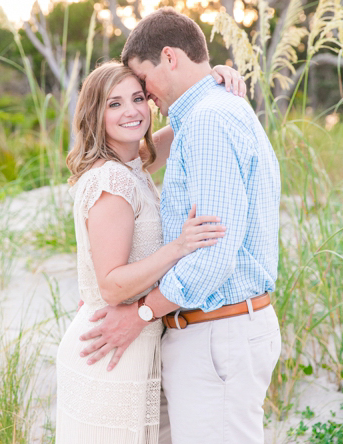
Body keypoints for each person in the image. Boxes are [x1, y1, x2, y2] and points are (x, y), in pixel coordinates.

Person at [79, 8, 282, 444]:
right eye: (117, 101)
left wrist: (144, 312)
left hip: (215, 334)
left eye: (142, 86)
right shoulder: (205, 116)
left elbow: (212, 257)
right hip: (209, 334)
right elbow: (133, 157)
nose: (145, 100)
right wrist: (215, 77)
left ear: (169, 57)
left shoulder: (208, 120)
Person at [56, 60, 244, 443]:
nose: (131, 111)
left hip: (130, 343)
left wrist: (211, 79)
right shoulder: (111, 178)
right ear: (95, 114)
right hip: (109, 349)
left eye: (138, 98)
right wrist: (178, 247)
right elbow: (111, 286)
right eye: (115, 104)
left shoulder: (132, 164)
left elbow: (188, 124)